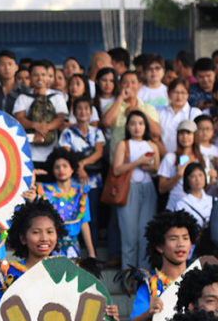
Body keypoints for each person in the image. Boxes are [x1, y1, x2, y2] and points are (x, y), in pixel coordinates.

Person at [129, 210, 199, 321]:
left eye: (185, 238)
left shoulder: (201, 280)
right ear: (159, 246)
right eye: (173, 238)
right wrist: (149, 312)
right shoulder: (150, 284)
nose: (181, 244)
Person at [113, 110, 163, 270]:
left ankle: (143, 277)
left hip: (148, 189)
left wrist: (147, 165)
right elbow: (116, 170)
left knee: (145, 235)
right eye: (133, 123)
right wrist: (138, 161)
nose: (137, 127)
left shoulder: (152, 145)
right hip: (129, 190)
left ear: (145, 126)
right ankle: (128, 276)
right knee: (129, 236)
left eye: (141, 124)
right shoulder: (123, 144)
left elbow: (156, 169)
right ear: (128, 126)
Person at [58, 96, 105, 242]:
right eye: (79, 108)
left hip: (93, 182)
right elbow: (67, 154)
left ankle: (93, 253)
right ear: (74, 112)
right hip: (73, 182)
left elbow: (99, 152)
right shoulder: (68, 133)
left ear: (91, 112)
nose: (83, 112)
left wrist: (81, 164)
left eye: (86, 109)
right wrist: (79, 169)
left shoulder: (96, 132)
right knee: (73, 214)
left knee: (93, 217)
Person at [37, 147, 95, 258]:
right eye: (57, 167)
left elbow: (84, 223)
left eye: (65, 166)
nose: (61, 170)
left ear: (72, 169)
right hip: (49, 247)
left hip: (73, 248)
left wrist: (91, 253)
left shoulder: (80, 192)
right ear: (52, 170)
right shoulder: (44, 191)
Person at [13, 60, 67, 172]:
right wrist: (36, 125)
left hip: (52, 154)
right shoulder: (22, 97)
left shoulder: (57, 97)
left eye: (43, 75)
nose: (40, 78)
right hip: (29, 154)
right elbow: (19, 119)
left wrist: (44, 128)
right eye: (36, 75)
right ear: (30, 77)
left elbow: (61, 119)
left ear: (48, 77)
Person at [159, 120, 210, 210]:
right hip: (175, 206)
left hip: (198, 208)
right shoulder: (170, 157)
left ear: (195, 135)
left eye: (188, 133)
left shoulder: (203, 158)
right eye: (181, 133)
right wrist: (178, 176)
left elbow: (205, 188)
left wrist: (211, 179)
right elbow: (161, 188)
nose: (185, 137)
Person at [157, 79, 201, 154]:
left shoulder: (195, 113)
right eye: (175, 92)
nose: (179, 96)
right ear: (168, 93)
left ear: (188, 94)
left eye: (183, 92)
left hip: (188, 157)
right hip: (164, 156)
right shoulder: (160, 112)